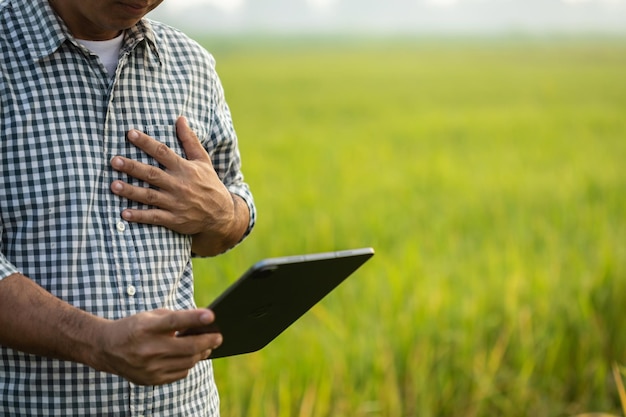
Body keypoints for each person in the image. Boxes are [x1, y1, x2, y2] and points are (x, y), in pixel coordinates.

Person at [0, 0, 257, 415]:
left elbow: (228, 216)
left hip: (184, 406)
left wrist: (223, 213)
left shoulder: (191, 65)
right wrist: (98, 341)